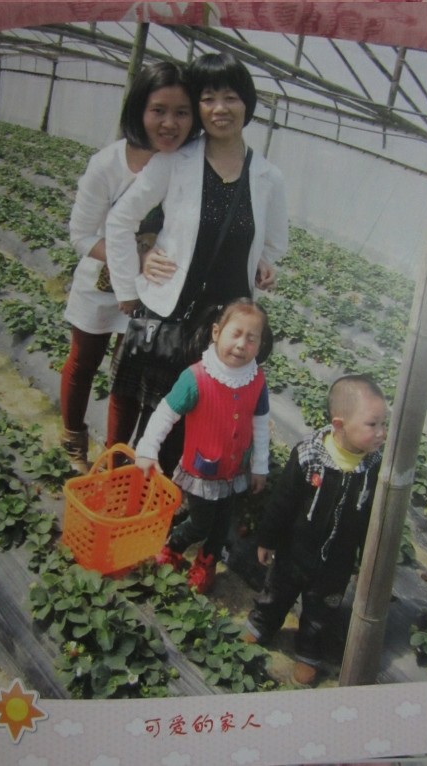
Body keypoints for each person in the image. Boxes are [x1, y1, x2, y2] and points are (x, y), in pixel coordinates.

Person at [105, 52, 288, 472]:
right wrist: (130, 281)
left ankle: (159, 498)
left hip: (219, 327)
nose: (220, 108)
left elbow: (276, 241)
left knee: (184, 425)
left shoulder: (268, 177)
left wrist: (264, 262)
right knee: (133, 414)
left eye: (230, 97)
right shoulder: (175, 161)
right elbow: (121, 219)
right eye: (207, 99)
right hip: (166, 313)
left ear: (247, 103)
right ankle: (114, 489)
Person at [59, 61, 200, 473]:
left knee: (128, 380)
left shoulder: (187, 166)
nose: (170, 123)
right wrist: (135, 258)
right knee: (84, 362)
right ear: (139, 110)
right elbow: (81, 235)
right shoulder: (108, 164)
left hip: (153, 293)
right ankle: (73, 439)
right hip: (100, 285)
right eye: (159, 110)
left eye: (182, 112)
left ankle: (115, 458)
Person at [243, 374, 388, 686]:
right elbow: (283, 502)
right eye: (372, 424)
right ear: (339, 425)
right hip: (294, 550)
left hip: (337, 561)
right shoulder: (309, 456)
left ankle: (309, 652)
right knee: (276, 591)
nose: (381, 433)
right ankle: (262, 624)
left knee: (321, 610)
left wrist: (367, 559)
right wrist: (267, 539)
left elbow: (372, 519)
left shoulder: (374, 468)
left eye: (383, 424)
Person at [135, 299, 272, 595]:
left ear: (260, 345)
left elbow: (261, 424)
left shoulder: (257, 380)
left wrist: (260, 466)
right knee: (200, 523)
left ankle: (206, 562)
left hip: (235, 471)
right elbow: (166, 413)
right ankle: (174, 546)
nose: (242, 344)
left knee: (222, 525)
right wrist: (147, 449)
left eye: (251, 338)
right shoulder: (196, 377)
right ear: (216, 332)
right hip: (202, 471)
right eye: (236, 334)